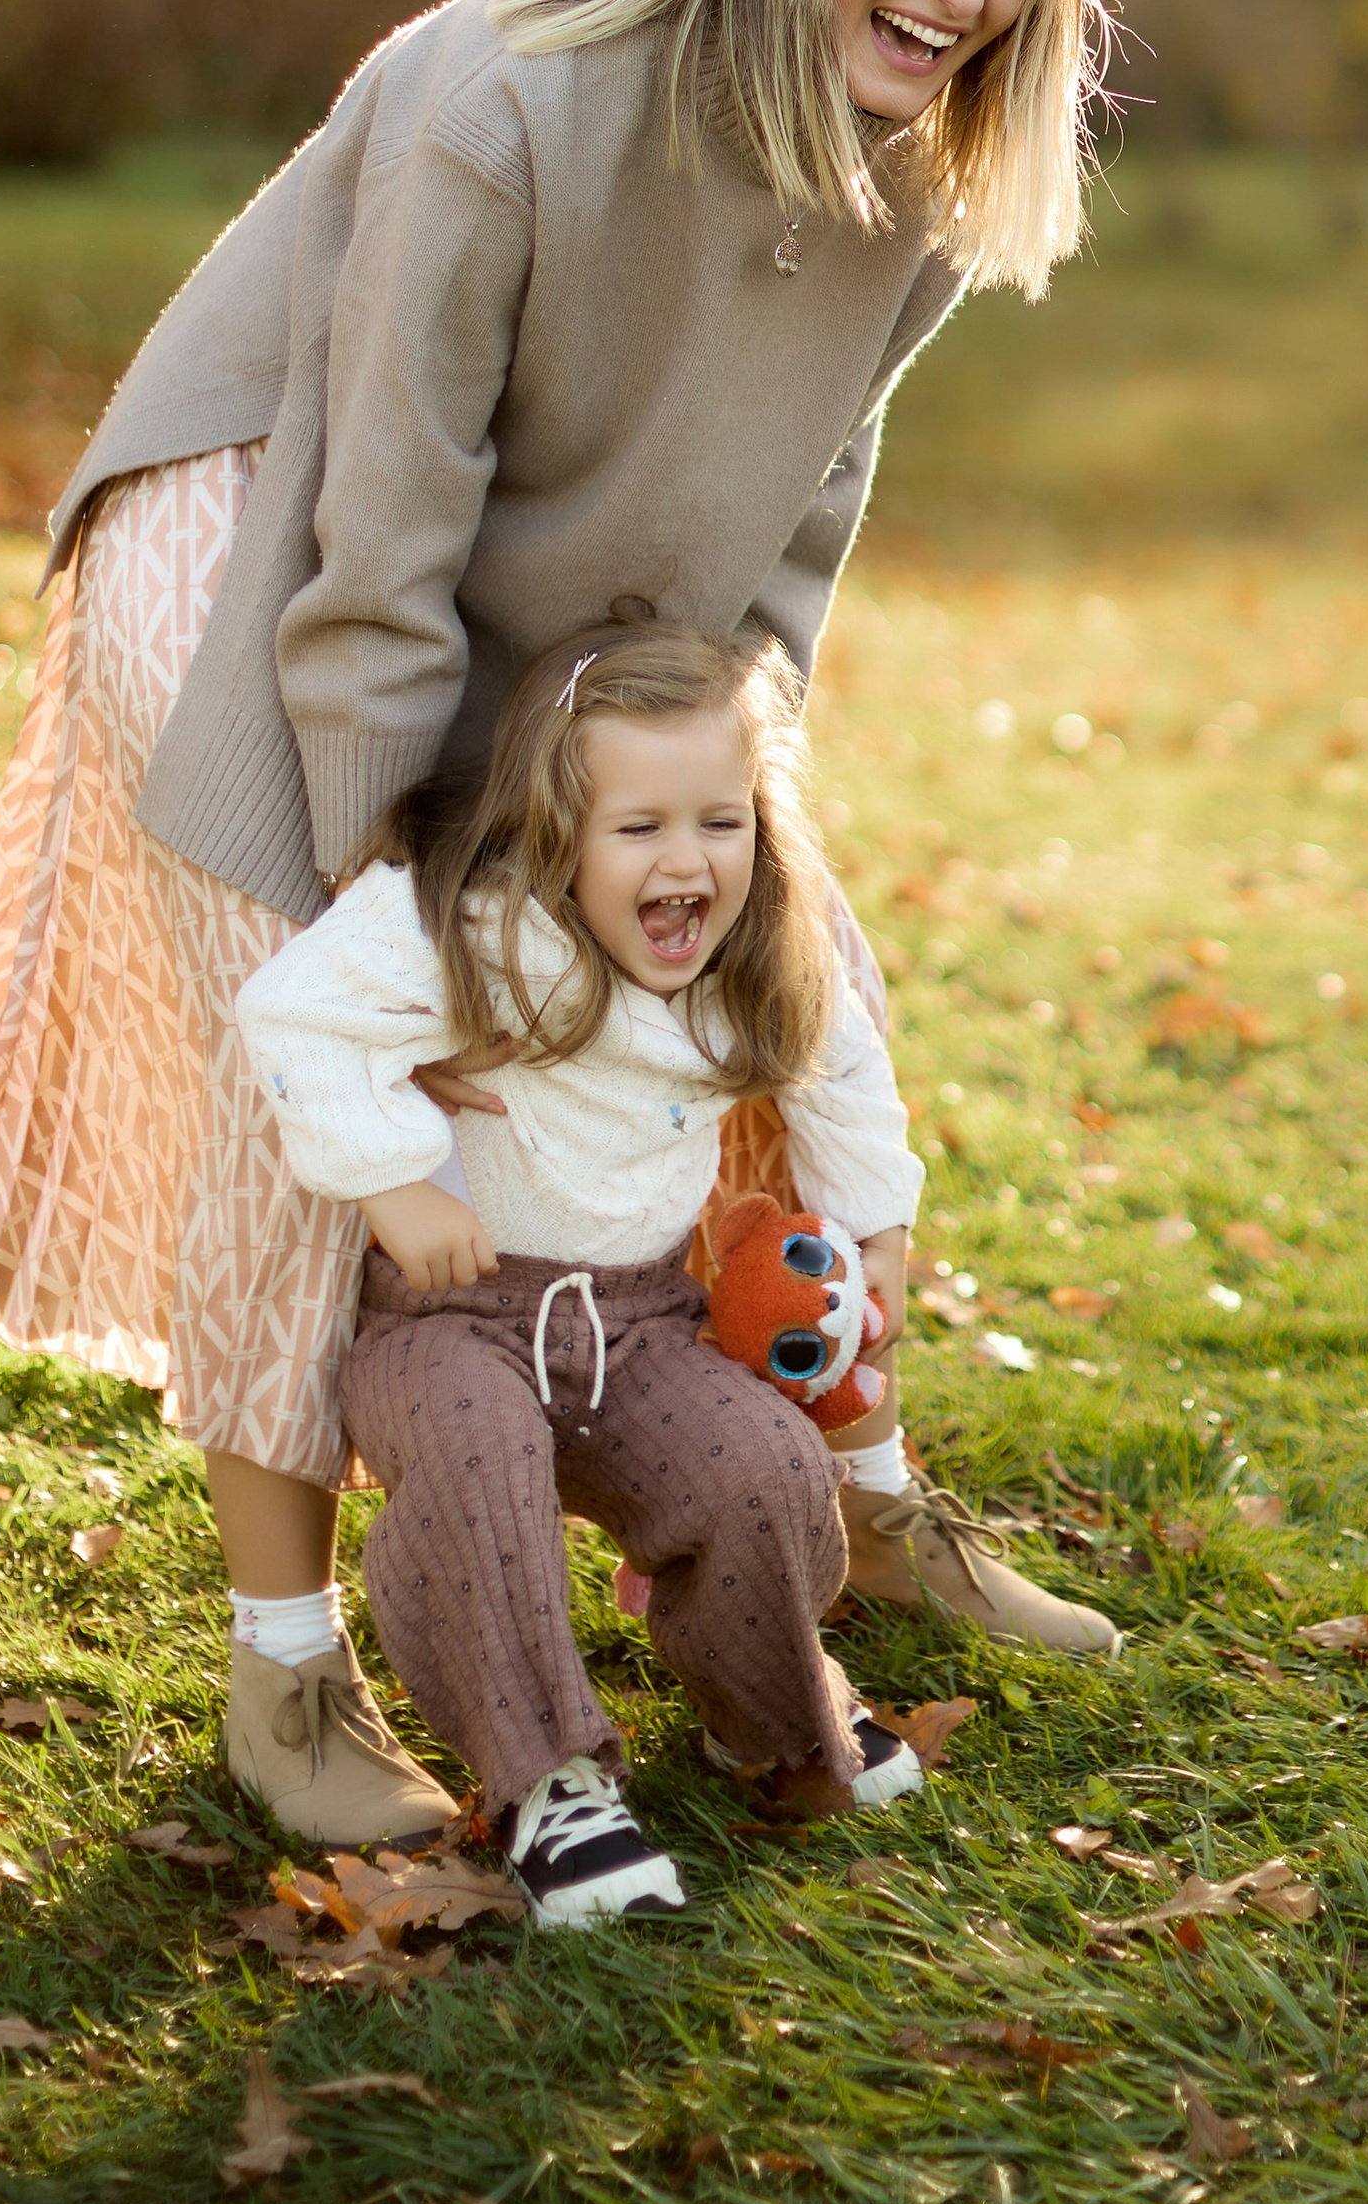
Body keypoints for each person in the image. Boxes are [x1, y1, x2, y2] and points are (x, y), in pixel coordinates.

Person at [0, 0, 1121, 1855]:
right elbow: (382, 519)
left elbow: (802, 509)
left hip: (560, 591)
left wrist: (742, 787)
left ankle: (846, 1487)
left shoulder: (914, 169)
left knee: (767, 982)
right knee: (325, 1090)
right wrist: (387, 892)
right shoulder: (512, 90)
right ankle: (283, 1675)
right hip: (261, 542)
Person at [240, 617, 922, 1923]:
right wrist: (392, 1178)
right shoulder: (480, 925)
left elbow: (840, 1059)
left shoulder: (750, 951)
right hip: (452, 1320)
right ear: (559, 829)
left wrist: (874, 1223)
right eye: (639, 829)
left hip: (645, 1318)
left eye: (719, 823)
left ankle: (771, 1717)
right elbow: (295, 1013)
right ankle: (549, 1785)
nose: (686, 862)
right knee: (480, 1456)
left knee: (763, 1465)